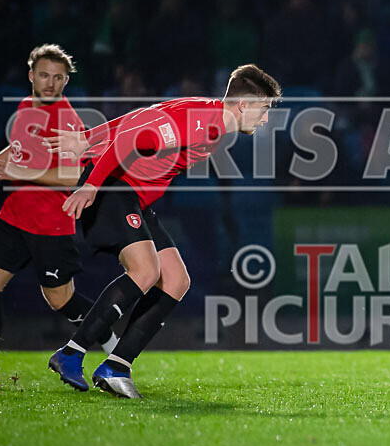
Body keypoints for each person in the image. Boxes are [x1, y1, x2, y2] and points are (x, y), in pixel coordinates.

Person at [45, 64, 281, 398]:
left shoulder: (205, 112)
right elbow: (130, 137)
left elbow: (141, 117)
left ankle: (117, 366)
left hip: (132, 197)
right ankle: (71, 353)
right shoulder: (205, 126)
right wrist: (92, 186)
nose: (266, 118)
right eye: (264, 109)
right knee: (145, 271)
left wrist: (87, 139)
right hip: (114, 188)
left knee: (176, 280)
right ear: (243, 105)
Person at [0, 44, 117, 390]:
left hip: (49, 223)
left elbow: (71, 177)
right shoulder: (27, 107)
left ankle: (114, 346)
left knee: (59, 298)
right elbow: (21, 149)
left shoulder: (67, 120)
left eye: (58, 78)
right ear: (31, 76)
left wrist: (18, 172)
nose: (50, 83)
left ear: (66, 82)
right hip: (13, 216)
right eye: (44, 75)